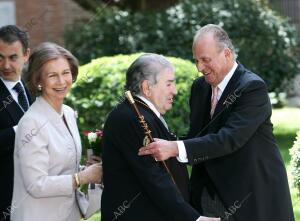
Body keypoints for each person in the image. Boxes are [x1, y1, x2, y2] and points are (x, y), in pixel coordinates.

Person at [139, 24, 294, 221]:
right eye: (196, 60)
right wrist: (158, 143)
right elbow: (199, 137)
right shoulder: (200, 87)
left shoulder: (252, 88)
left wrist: (175, 148)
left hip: (250, 197)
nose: (199, 68)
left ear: (227, 54)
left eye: (205, 60)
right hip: (206, 195)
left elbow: (228, 139)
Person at [101, 53, 219, 221]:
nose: (175, 91)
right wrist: (193, 218)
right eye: (169, 83)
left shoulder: (141, 113)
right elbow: (154, 178)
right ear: (147, 87)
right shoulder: (133, 118)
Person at [11, 42, 102, 221]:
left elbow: (61, 169)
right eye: (52, 75)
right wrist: (81, 177)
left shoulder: (68, 112)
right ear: (38, 81)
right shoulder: (31, 122)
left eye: (65, 73)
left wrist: (89, 169)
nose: (61, 82)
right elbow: (36, 184)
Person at [0, 25, 33, 221]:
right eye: (0, 57)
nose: (5, 66)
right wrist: (19, 130)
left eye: (13, 57)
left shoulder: (33, 91)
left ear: (26, 55)